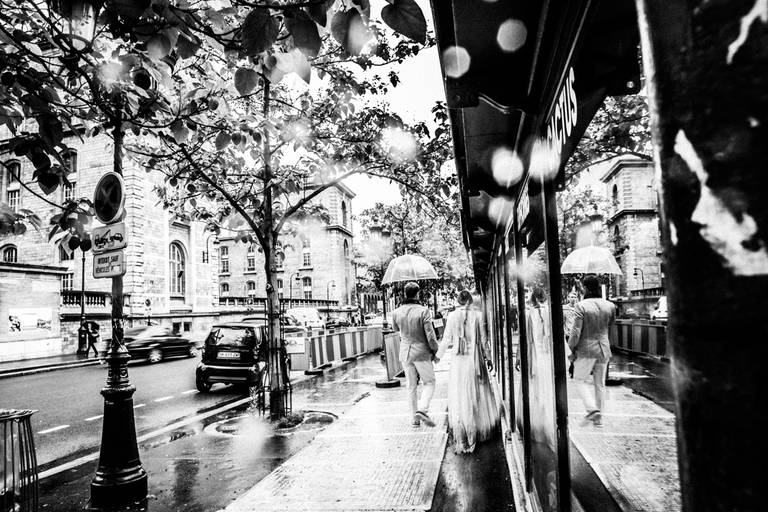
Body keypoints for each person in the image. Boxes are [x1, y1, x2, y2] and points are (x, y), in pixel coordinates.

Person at [438, 290, 499, 453]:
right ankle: (478, 430)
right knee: (477, 394)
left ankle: (464, 431)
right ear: (471, 301)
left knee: (461, 396)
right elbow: (484, 340)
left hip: (459, 362)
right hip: (475, 360)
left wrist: (438, 356)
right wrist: (489, 358)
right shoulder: (478, 316)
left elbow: (446, 339)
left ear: (458, 301)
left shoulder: (451, 316)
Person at [568, 275, 616, 427]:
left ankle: (592, 409)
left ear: (585, 288)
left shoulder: (581, 306)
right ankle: (598, 419)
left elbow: (576, 332)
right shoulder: (610, 306)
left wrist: (571, 348)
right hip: (604, 349)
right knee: (600, 384)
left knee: (579, 380)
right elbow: (611, 328)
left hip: (586, 350)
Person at [391, 282, 439, 427]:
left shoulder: (396, 312)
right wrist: (434, 350)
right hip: (421, 352)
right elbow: (430, 335)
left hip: (405, 353)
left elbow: (395, 329)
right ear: (417, 294)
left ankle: (414, 419)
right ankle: (422, 410)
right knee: (429, 382)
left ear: (405, 294)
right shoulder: (424, 311)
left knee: (411, 386)